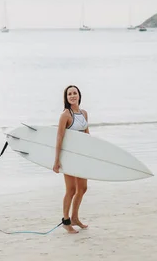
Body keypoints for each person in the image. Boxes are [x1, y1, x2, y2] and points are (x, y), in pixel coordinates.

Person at [53, 84, 89, 234]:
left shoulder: (84, 113)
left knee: (83, 188)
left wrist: (92, 155)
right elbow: (59, 137)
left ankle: (75, 218)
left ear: (79, 95)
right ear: (66, 98)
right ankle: (66, 221)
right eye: (69, 94)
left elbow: (87, 135)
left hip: (81, 156)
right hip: (69, 156)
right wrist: (57, 160)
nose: (72, 96)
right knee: (71, 189)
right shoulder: (65, 115)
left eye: (75, 93)